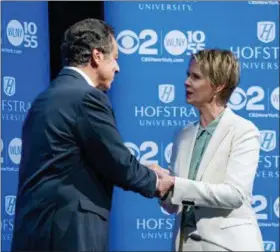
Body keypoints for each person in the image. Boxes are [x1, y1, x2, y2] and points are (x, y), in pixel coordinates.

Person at [11, 18, 175, 252]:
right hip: (68, 232)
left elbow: (74, 160)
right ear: (97, 56)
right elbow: (116, 160)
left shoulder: (45, 98)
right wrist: (156, 182)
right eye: (115, 58)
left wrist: (143, 169)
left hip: (34, 231)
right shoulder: (86, 97)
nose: (118, 67)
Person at [160, 49, 263, 251]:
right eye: (188, 75)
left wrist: (175, 183)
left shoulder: (244, 131)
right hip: (185, 245)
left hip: (227, 245)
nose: (186, 82)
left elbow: (235, 195)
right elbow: (172, 205)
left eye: (195, 77)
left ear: (218, 86)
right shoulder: (182, 135)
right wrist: (160, 184)